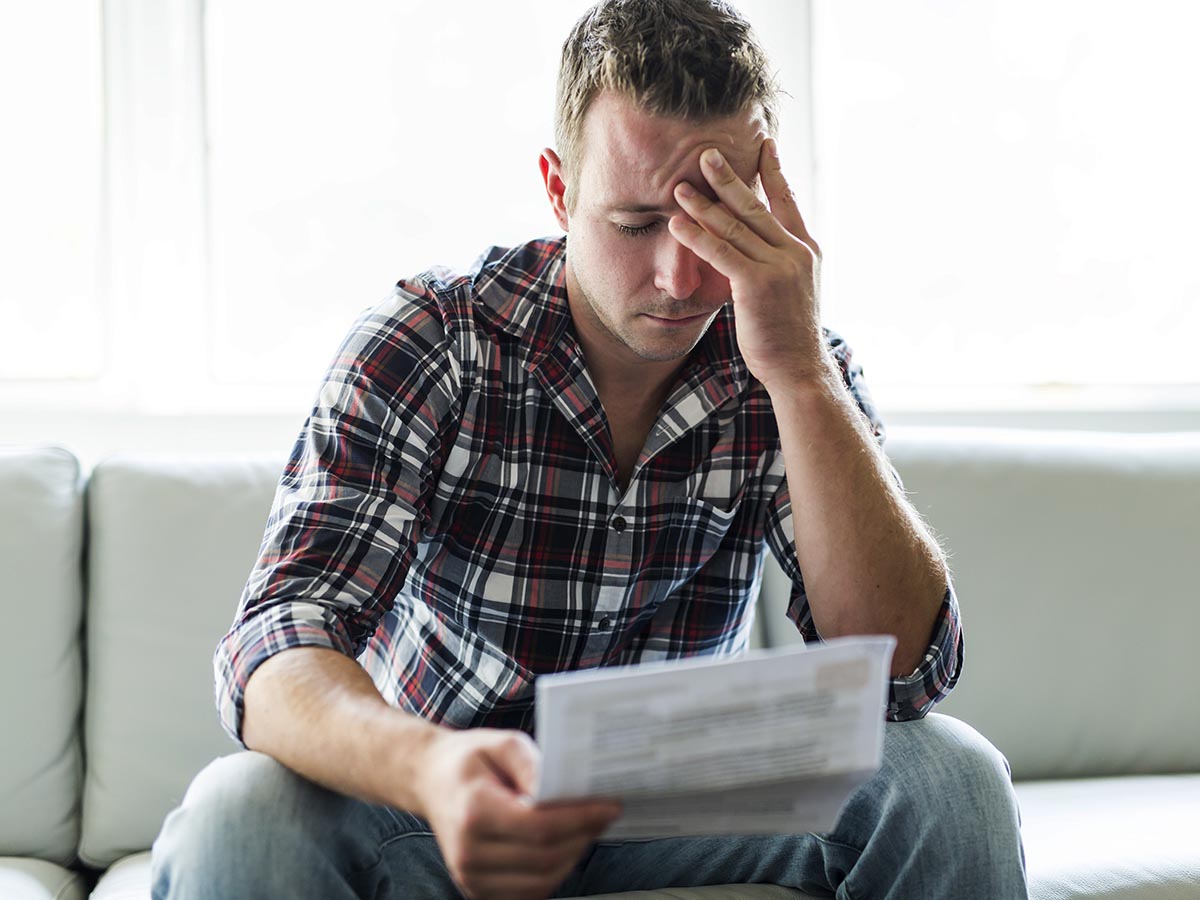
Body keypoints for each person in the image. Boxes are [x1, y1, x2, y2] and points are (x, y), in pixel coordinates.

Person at [150, 1, 1027, 898]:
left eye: (715, 221)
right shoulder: (434, 339)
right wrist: (431, 772)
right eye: (639, 222)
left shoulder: (792, 357)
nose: (681, 279)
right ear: (559, 189)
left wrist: (799, 373)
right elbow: (278, 636)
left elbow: (902, 675)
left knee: (948, 778)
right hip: (433, 790)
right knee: (241, 810)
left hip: (677, 793)